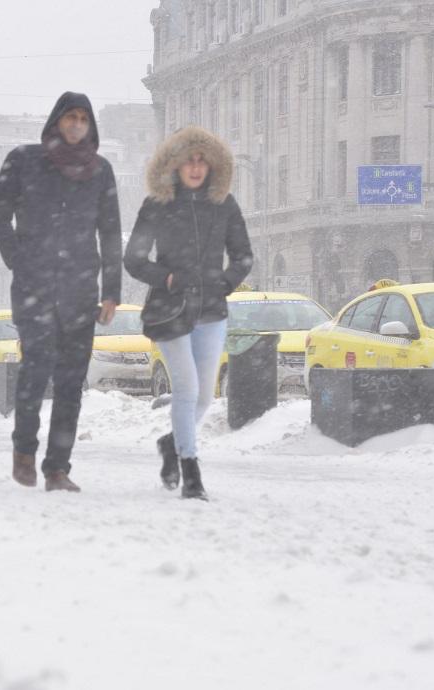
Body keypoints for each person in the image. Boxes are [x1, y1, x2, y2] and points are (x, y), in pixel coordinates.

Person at [0, 91, 123, 493]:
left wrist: (111, 291)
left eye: (83, 118)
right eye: (70, 117)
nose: (77, 124)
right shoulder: (24, 160)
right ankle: (24, 452)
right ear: (56, 121)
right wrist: (20, 260)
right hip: (35, 289)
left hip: (80, 292)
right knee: (35, 371)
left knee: (70, 384)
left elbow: (110, 232)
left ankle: (57, 469)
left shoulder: (100, 171)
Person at [123, 127, 253, 500]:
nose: (196, 168)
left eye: (202, 161)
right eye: (188, 161)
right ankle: (191, 472)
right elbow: (133, 258)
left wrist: (224, 282)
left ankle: (171, 442)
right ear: (174, 165)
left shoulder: (224, 204)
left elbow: (243, 256)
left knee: (204, 398)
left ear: (213, 166)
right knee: (186, 389)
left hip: (211, 311)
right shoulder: (157, 204)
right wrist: (166, 278)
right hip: (170, 310)